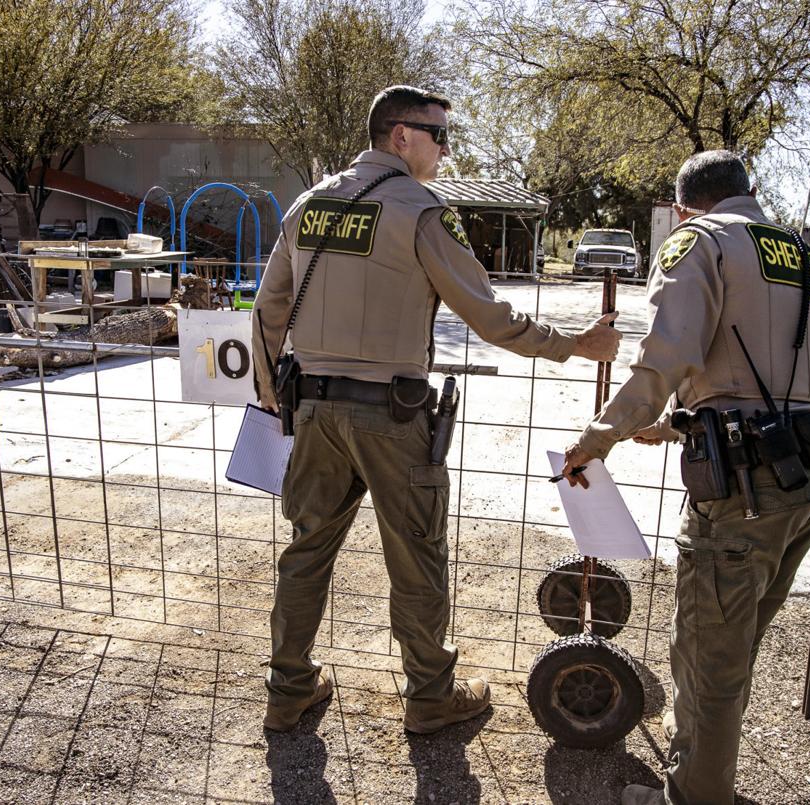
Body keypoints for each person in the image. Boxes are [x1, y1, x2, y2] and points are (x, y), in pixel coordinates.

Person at [251, 85, 623, 734]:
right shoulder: (420, 210)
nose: (447, 148)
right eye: (439, 135)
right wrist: (577, 345)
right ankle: (429, 698)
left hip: (311, 411)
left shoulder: (307, 206)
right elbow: (491, 316)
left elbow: (266, 311)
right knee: (417, 555)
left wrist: (268, 395)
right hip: (393, 419)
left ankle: (288, 691)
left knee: (306, 549)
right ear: (400, 136)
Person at [559, 150, 810, 804]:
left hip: (747, 493)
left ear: (685, 206)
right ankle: (698, 741)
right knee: (733, 641)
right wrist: (673, 426)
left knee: (706, 657)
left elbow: (666, 358)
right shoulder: (799, 252)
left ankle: (691, 794)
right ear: (747, 191)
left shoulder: (699, 242)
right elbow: (769, 375)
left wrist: (596, 438)